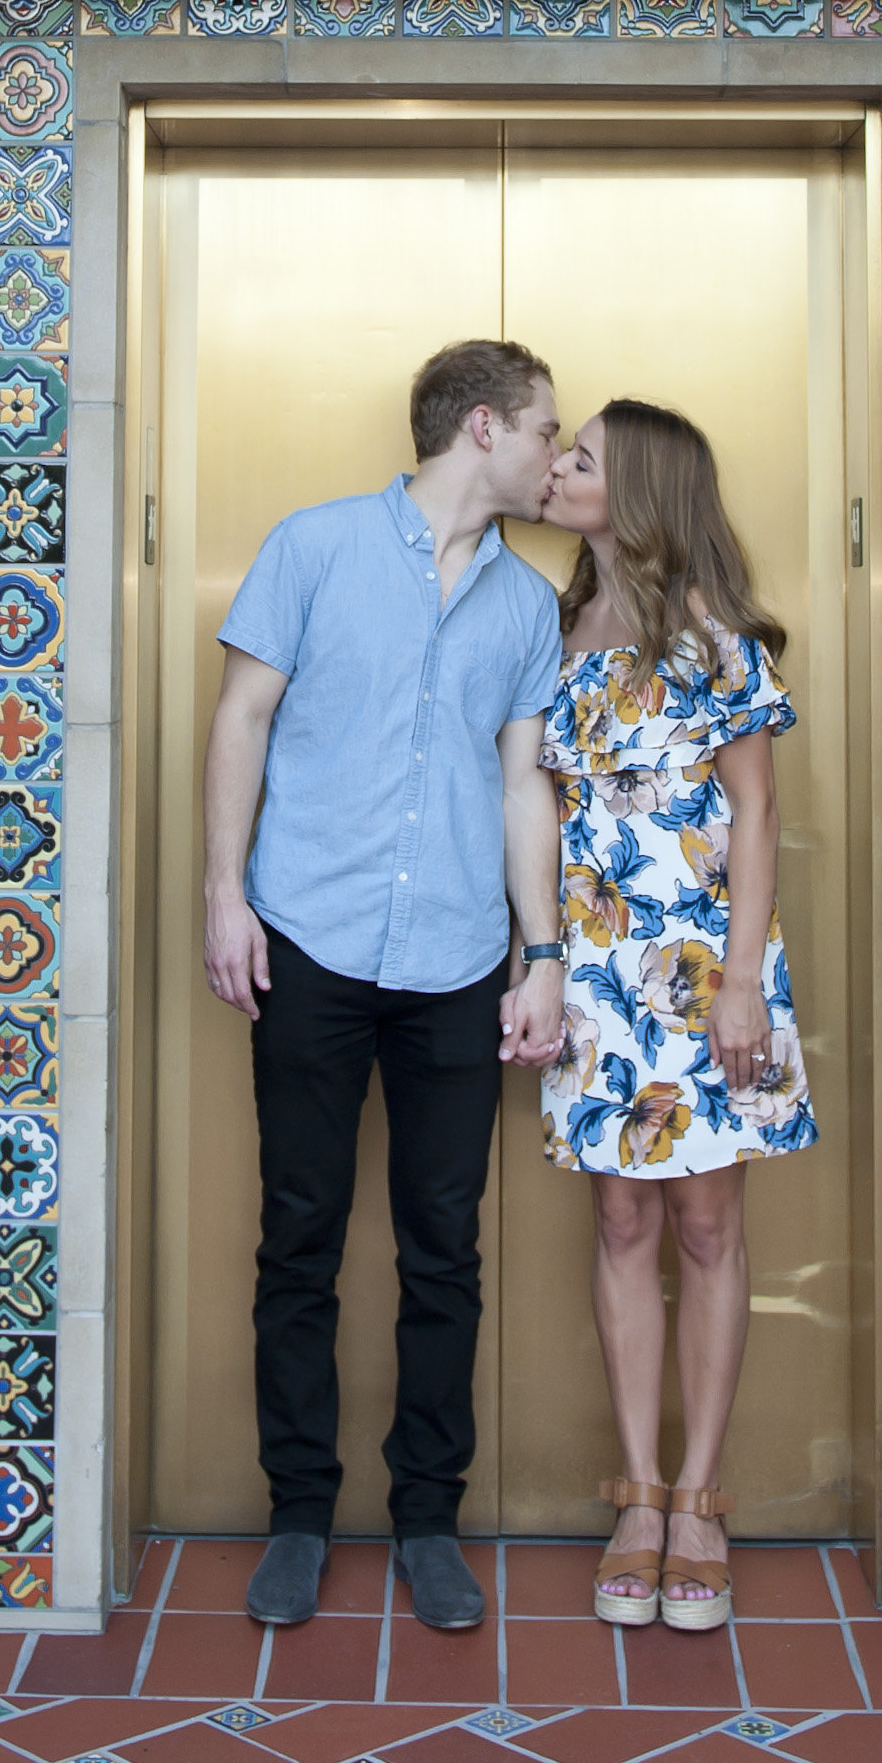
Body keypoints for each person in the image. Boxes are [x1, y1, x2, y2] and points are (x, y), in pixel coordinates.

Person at [204, 340, 568, 1631]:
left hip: (458, 965)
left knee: (444, 1251)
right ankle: (298, 1511)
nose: (553, 455)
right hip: (307, 938)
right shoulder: (313, 548)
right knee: (297, 1234)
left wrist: (542, 953)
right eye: (543, 432)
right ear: (483, 428)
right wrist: (223, 892)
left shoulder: (528, 608)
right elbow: (241, 717)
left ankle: (429, 1518)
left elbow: (525, 783)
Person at [509, 400, 816, 1630]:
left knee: (704, 1222)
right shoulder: (550, 623)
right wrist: (538, 960)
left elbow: (754, 814)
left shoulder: (712, 635)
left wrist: (740, 981)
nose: (556, 468)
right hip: (590, 972)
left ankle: (700, 1501)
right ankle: (637, 1497)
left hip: (705, 971)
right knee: (622, 1220)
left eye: (578, 457)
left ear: (634, 490)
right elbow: (533, 796)